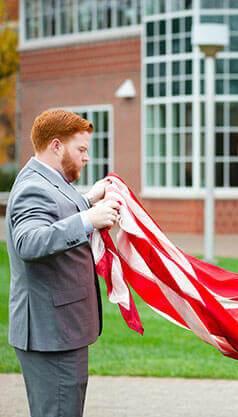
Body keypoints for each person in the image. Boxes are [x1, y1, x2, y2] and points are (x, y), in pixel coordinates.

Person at [6, 109, 120, 417]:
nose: (86, 157)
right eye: (81, 149)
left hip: (59, 330)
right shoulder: (34, 187)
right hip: (50, 334)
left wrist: (88, 199)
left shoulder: (47, 180)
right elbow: (28, 242)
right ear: (56, 146)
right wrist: (88, 218)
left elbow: (57, 211)